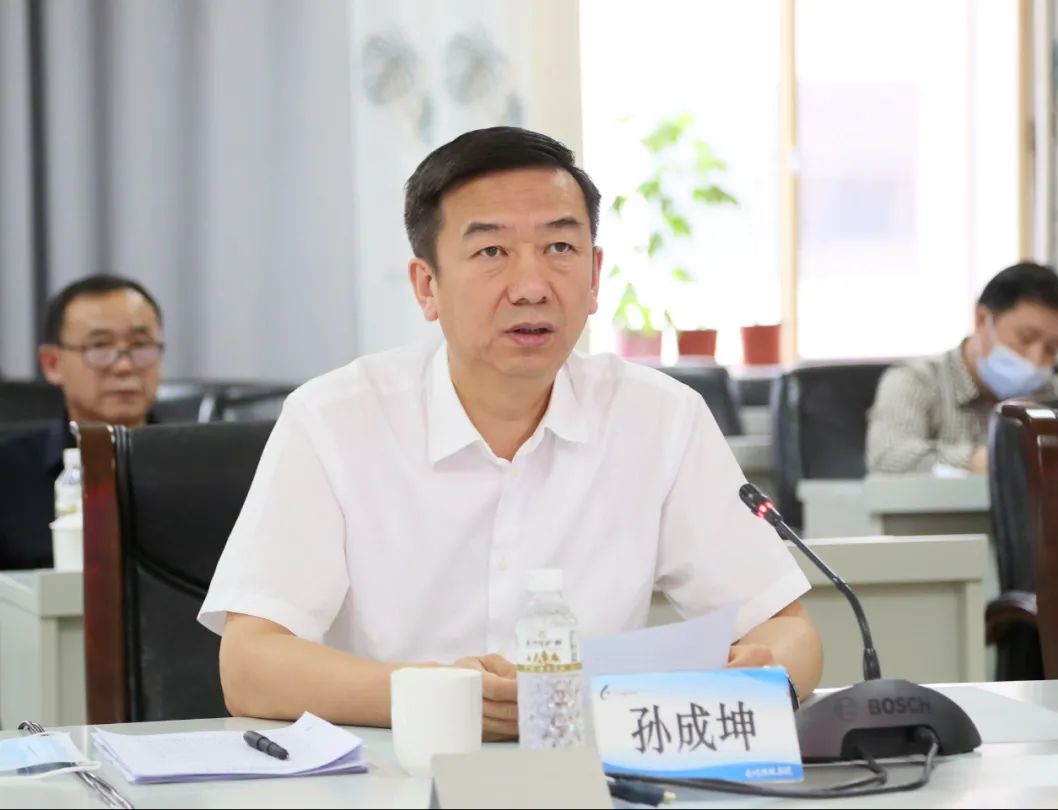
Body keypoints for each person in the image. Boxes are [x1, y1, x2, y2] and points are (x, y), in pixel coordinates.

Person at [200, 127, 822, 739]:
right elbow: (250, 667)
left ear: (594, 275)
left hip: (590, 778)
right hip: (390, 776)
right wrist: (442, 697)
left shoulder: (662, 418)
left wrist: (761, 672)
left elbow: (787, 629)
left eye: (560, 247)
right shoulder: (334, 419)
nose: (531, 287)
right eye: (491, 252)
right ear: (427, 286)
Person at [0, 274, 164, 569]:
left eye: (140, 345)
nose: (124, 366)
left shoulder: (206, 466)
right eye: (100, 347)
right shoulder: (8, 473)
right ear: (52, 363)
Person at [867, 262, 1058, 474]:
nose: (1035, 359)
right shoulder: (916, 380)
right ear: (982, 320)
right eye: (1026, 338)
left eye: (1052, 348)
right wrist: (987, 460)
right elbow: (887, 458)